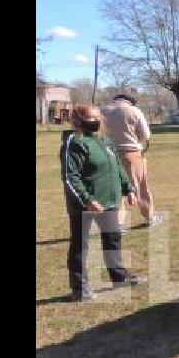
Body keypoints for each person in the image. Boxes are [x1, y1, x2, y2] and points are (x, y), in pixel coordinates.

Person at [60, 105, 144, 301]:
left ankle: (119, 278)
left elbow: (116, 166)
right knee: (81, 245)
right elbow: (70, 176)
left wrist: (128, 188)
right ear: (78, 120)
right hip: (85, 205)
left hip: (109, 201)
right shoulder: (74, 142)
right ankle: (80, 289)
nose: (96, 121)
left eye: (98, 117)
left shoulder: (104, 140)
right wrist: (87, 200)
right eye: (91, 117)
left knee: (112, 239)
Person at [101, 94, 164, 228]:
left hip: (108, 153)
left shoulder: (104, 110)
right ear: (130, 102)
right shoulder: (134, 111)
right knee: (140, 186)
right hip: (131, 153)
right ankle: (150, 216)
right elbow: (146, 135)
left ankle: (118, 224)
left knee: (115, 189)